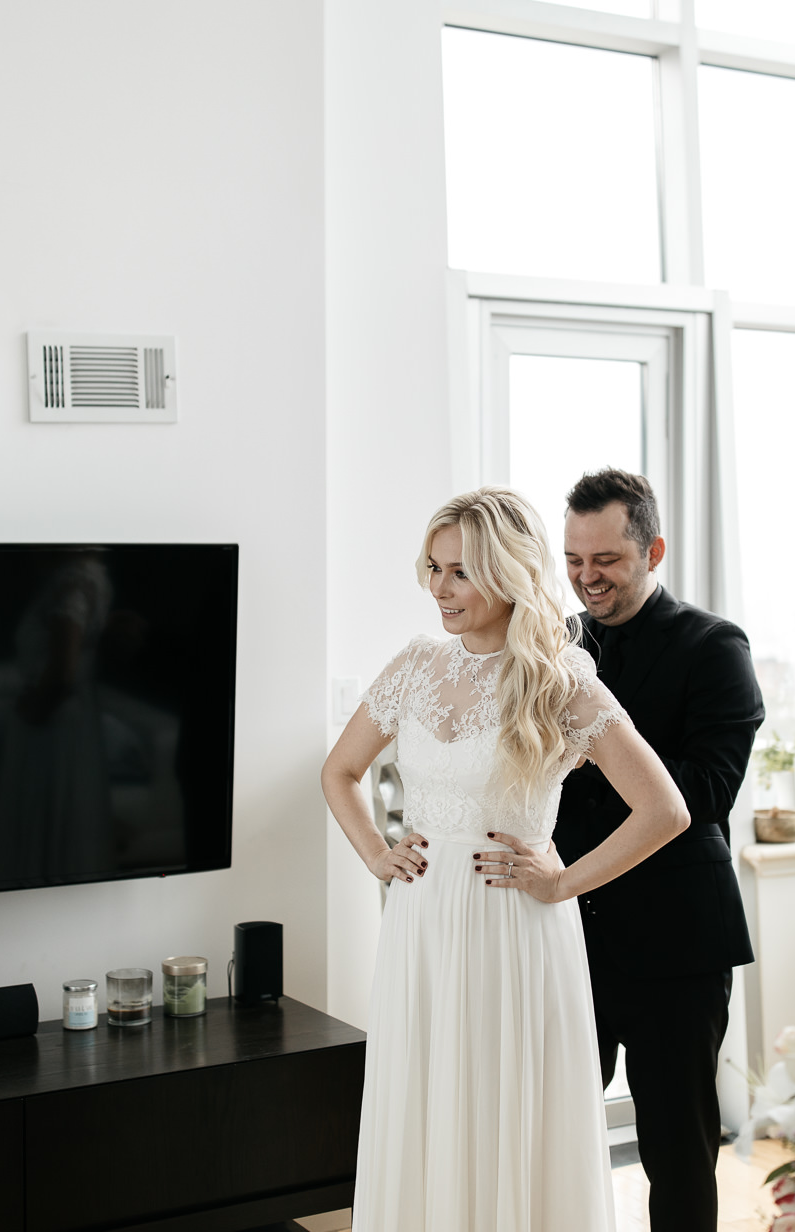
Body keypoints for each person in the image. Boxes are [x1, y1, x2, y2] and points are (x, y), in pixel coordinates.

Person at [322, 487, 690, 1232]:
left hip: (514, 929)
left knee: (504, 1105)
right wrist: (375, 854)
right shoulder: (414, 666)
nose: (441, 589)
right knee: (427, 1100)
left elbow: (665, 809)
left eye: (462, 572)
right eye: (434, 568)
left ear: (510, 573)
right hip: (422, 924)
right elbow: (339, 772)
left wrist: (562, 883)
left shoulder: (560, 680)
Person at [547, 467, 765, 1231]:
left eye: (605, 560)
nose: (585, 577)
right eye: (573, 559)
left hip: (679, 943)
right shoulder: (557, 644)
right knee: (558, 1132)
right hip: (570, 928)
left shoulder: (715, 646)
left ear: (654, 549)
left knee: (676, 1146)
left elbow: (709, 790)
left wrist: (596, 757)